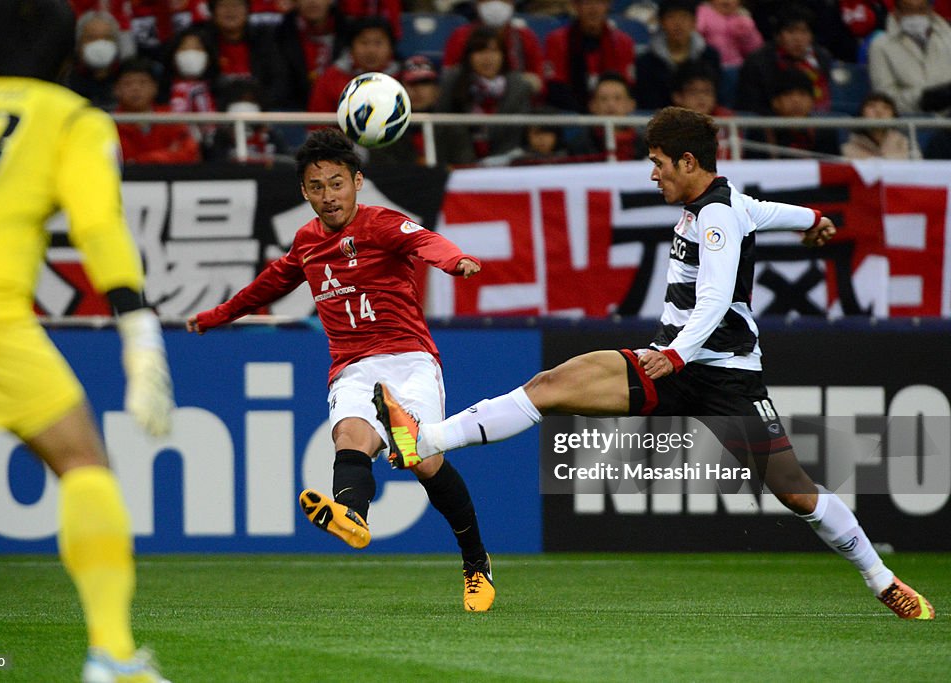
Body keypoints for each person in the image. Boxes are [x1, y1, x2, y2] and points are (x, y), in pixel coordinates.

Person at [375, 106, 936, 623]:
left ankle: (881, 578)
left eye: (658, 164)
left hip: (724, 375)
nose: (653, 175)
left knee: (796, 493)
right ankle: (424, 441)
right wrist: (811, 216)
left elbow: (715, 302)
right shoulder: (724, 204)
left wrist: (674, 353)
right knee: (549, 385)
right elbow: (765, 211)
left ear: (687, 162)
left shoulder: (715, 218)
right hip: (670, 361)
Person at [0, 1, 175, 681]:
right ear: (70, 62)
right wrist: (141, 334)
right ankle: (113, 654)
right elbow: (99, 227)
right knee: (82, 461)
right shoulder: (71, 117)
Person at [186, 128, 497, 613]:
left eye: (337, 184)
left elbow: (427, 241)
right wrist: (216, 315)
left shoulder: (381, 224)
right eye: (317, 187)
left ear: (357, 182)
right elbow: (268, 285)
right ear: (303, 192)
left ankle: (476, 564)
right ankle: (352, 515)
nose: (328, 197)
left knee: (421, 459)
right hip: (351, 367)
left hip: (408, 360)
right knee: (350, 435)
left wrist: (454, 261)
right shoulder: (307, 242)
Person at [434, 26, 533, 167]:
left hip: (505, 165)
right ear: (469, 56)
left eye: (494, 51)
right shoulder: (453, 81)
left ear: (503, 55)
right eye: (480, 51)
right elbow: (441, 129)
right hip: (459, 166)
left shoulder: (518, 86)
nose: (488, 58)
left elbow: (516, 135)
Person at [736, 5, 834, 114]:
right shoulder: (758, 62)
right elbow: (750, 106)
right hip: (771, 123)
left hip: (819, 122)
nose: (798, 39)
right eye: (791, 32)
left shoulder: (822, 58)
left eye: (804, 32)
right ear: (778, 36)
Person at [544, 0, 636, 113]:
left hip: (612, 114)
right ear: (575, 6)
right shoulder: (557, 40)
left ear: (608, 5)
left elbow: (625, 88)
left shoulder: (623, 43)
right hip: (571, 115)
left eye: (599, 2)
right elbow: (555, 89)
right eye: (587, 2)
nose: (593, 9)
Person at [634, 0, 722, 111]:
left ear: (694, 22)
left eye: (684, 17)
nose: (678, 23)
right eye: (671, 17)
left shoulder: (710, 57)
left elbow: (716, 97)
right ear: (661, 22)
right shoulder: (646, 62)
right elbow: (647, 103)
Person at [867, 0, 951, 116]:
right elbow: (884, 99)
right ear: (896, 12)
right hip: (911, 124)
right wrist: (923, 98)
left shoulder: (948, 38)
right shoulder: (880, 45)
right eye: (908, 9)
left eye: (920, 9)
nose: (915, 15)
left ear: (930, 10)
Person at [114, 57, 202, 164]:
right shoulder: (109, 124)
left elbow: (190, 153)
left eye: (143, 83)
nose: (135, 88)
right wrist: (168, 154)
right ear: (117, 89)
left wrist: (142, 160)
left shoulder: (170, 119)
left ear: (155, 87)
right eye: (128, 83)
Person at [841, 91, 917, 159]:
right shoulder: (849, 147)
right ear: (861, 113)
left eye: (886, 107)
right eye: (872, 106)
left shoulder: (905, 144)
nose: (879, 111)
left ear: (894, 115)